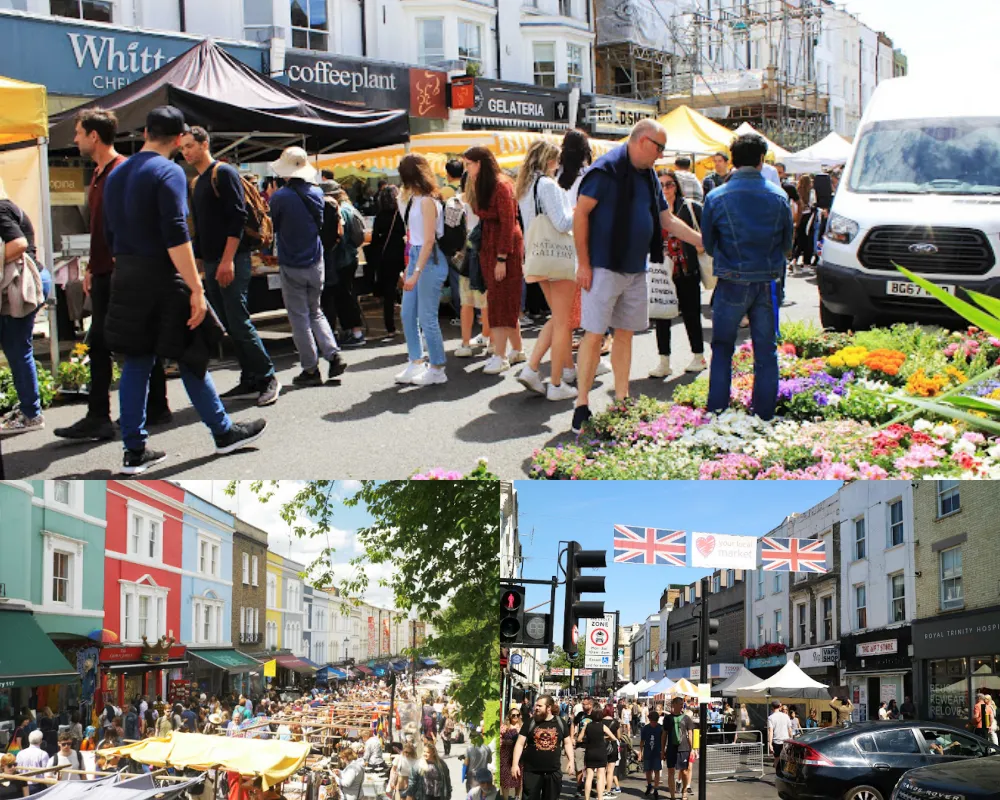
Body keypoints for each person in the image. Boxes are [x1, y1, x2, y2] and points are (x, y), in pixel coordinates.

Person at [102, 106, 267, 473]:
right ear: (179, 140)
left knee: (137, 361)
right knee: (192, 353)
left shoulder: (117, 173)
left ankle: (134, 451)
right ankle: (223, 433)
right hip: (163, 273)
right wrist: (195, 287)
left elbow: (109, 232)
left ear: (145, 131)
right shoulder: (170, 171)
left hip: (126, 272)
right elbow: (176, 234)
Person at [570, 118, 702, 433]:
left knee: (626, 334)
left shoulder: (648, 176)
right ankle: (582, 404)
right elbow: (581, 215)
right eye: (660, 148)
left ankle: (622, 398)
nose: (661, 155)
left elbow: (666, 219)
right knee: (594, 334)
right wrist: (584, 263)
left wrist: (700, 241)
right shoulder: (605, 170)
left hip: (635, 268)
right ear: (643, 141)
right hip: (602, 266)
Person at [55, 108, 170, 441]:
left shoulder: (122, 172)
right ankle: (102, 414)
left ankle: (146, 408)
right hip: (106, 272)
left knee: (131, 341)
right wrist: (92, 266)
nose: (74, 138)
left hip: (123, 272)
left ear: (94, 135)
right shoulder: (99, 173)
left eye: (78, 132)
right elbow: (99, 228)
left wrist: (121, 265)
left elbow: (131, 224)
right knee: (105, 343)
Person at [180, 126, 280, 406]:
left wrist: (227, 261)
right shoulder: (196, 182)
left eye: (190, 146)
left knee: (238, 320)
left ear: (204, 144)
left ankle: (268, 376)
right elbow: (199, 229)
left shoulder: (222, 173)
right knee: (228, 323)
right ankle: (250, 378)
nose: (186, 152)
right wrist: (199, 267)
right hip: (212, 261)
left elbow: (236, 218)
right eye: (183, 148)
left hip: (232, 259)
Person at [701, 133, 793, 423]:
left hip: (731, 280)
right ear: (762, 160)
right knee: (765, 352)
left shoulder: (715, 197)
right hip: (766, 281)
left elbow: (709, 243)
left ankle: (717, 412)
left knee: (722, 348)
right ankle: (764, 413)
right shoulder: (779, 196)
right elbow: (788, 246)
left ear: (733, 160)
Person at [268, 146, 347, 386]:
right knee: (315, 311)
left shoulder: (280, 197)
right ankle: (333, 353)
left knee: (299, 317)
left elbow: (276, 227)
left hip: (292, 261)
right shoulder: (316, 193)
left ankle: (311, 369)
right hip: (316, 260)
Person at [514, 140, 577, 402]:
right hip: (558, 258)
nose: (559, 164)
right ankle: (552, 380)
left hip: (539, 257)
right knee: (563, 321)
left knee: (558, 319)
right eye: (557, 159)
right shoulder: (548, 185)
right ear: (549, 160)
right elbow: (562, 223)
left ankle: (559, 371)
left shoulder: (526, 187)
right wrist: (579, 209)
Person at [462, 146, 525, 374]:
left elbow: (508, 223)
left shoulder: (500, 185)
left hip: (502, 248)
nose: (466, 168)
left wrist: (501, 257)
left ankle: (501, 355)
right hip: (493, 246)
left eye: (469, 164)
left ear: (480, 163)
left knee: (500, 302)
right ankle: (516, 350)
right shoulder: (489, 184)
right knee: (502, 299)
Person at [0, 193, 53, 436]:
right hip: (24, 283)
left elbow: (18, 244)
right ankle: (28, 409)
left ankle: (31, 413)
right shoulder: (7, 205)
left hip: (21, 286)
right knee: (16, 348)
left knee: (17, 348)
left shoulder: (0, 208)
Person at [394, 154, 449, 386]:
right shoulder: (414, 199)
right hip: (419, 257)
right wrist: (411, 267)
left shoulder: (427, 201)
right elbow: (415, 239)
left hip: (430, 259)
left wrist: (414, 271)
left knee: (427, 317)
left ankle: (437, 367)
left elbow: (428, 241)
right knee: (408, 314)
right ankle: (416, 362)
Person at [649, 169, 707, 379]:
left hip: (687, 269)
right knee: (662, 316)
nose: (665, 189)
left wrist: (701, 245)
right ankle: (664, 361)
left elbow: (708, 231)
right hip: (662, 272)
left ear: (677, 186)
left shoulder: (690, 207)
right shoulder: (652, 209)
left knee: (692, 314)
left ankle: (698, 356)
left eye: (669, 184)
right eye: (661, 185)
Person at [326, 187, 366, 348]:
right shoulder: (350, 209)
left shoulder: (339, 211)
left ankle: (355, 332)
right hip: (350, 257)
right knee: (348, 295)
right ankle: (353, 331)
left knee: (344, 297)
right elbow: (359, 236)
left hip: (341, 259)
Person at [370, 184, 406, 339]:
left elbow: (374, 240)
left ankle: (390, 327)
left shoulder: (379, 216)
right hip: (403, 254)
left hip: (385, 258)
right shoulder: (402, 215)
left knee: (389, 294)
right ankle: (413, 325)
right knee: (409, 291)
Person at [441, 159, 466, 318]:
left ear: (448, 174)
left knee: (456, 279)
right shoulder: (468, 191)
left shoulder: (444, 192)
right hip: (468, 242)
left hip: (452, 244)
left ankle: (460, 314)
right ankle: (477, 313)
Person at [578, 708, 613, 800]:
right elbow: (613, 737)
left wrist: (585, 736)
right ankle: (600, 797)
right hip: (601, 752)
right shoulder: (603, 726)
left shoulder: (587, 726)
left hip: (590, 752)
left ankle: (587, 798)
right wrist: (604, 738)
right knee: (600, 776)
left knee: (589, 776)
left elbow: (579, 739)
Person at [663, 697, 693, 800]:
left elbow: (690, 733)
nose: (682, 705)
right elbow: (664, 735)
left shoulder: (686, 718)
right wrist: (662, 750)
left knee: (684, 771)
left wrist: (692, 749)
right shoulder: (667, 718)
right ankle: (672, 796)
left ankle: (684, 791)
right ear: (674, 704)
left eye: (682, 704)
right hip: (671, 748)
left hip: (684, 748)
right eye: (680, 703)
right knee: (671, 771)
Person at [411, 735, 450, 800]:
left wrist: (448, 794)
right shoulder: (418, 764)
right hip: (424, 795)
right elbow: (412, 780)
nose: (425, 754)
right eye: (424, 752)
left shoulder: (441, 764)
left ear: (433, 753)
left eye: (428, 752)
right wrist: (411, 795)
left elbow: (447, 779)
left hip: (438, 795)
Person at [572, 696, 595, 797]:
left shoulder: (595, 715)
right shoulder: (580, 715)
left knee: (590, 768)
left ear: (590, 705)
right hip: (580, 744)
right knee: (579, 766)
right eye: (582, 704)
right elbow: (573, 723)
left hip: (592, 745)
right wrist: (572, 736)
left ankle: (588, 787)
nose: (583, 705)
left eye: (584, 704)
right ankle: (579, 786)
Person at [15, 730, 50, 794]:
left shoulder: (20, 753)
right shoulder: (43, 754)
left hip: (21, 785)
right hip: (37, 786)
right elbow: (47, 772)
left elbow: (17, 769)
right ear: (41, 740)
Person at [640, 709, 663, 800]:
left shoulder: (660, 728)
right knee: (648, 770)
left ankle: (656, 789)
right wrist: (640, 752)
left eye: (654, 721)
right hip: (648, 752)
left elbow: (663, 741)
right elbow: (642, 741)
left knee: (657, 771)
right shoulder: (645, 728)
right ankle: (649, 785)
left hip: (657, 752)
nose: (653, 723)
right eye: (651, 721)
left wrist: (663, 751)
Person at [499, 708, 522, 800]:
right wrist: (505, 741)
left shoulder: (522, 727)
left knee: (518, 778)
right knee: (505, 778)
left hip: (519, 756)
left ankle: (517, 796)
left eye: (518, 715)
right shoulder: (504, 727)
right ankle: (505, 798)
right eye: (513, 715)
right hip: (505, 755)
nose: (516, 717)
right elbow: (498, 739)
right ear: (509, 716)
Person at [767, 700, 791, 772]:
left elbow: (770, 731)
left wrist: (770, 743)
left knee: (776, 758)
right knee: (787, 759)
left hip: (776, 741)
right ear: (780, 706)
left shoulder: (770, 718)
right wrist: (792, 738)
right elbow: (790, 729)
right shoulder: (786, 716)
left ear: (772, 707)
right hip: (786, 741)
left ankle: (777, 775)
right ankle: (786, 775)